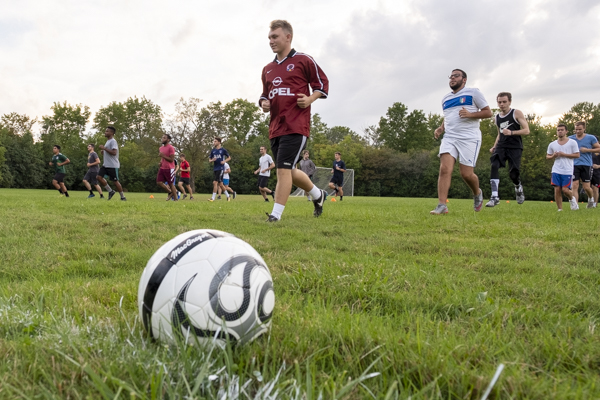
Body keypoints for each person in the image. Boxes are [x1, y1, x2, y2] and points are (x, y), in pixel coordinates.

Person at [259, 19, 329, 221]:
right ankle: (318, 194)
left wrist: (310, 99)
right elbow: (265, 95)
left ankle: (275, 215)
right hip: (276, 127)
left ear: (288, 37)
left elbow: (322, 85)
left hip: (296, 126)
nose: (271, 41)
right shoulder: (268, 69)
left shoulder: (303, 60)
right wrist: (263, 103)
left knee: (282, 170)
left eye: (275, 37)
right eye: (269, 37)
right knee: (289, 170)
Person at [431, 69, 492, 215]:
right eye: (451, 76)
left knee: (466, 174)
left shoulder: (473, 93)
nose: (452, 78)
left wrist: (471, 115)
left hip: (469, 138)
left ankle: (477, 193)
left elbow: (488, 112)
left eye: (456, 76)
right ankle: (442, 205)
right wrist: (441, 128)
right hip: (450, 137)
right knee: (445, 168)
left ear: (464, 79)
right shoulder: (445, 99)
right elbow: (448, 116)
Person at [486, 92, 530, 207]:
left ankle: (518, 186)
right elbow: (499, 134)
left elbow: (526, 130)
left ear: (509, 102)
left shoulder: (516, 113)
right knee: (494, 165)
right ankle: (494, 196)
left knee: (513, 174)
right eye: (499, 102)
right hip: (501, 146)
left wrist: (511, 132)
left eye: (504, 102)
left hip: (515, 147)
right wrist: (494, 146)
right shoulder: (497, 117)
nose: (502, 104)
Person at [547, 124, 580, 211]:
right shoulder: (552, 144)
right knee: (557, 189)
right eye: (558, 130)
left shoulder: (572, 142)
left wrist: (564, 154)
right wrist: (553, 155)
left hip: (567, 170)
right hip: (556, 169)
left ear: (566, 131)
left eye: (562, 130)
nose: (560, 131)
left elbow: (577, 155)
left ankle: (572, 200)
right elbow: (548, 156)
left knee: (565, 190)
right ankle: (560, 209)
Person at [569, 121, 599, 208]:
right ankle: (575, 205)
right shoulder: (570, 139)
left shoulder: (591, 138)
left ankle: (590, 199)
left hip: (586, 164)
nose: (578, 131)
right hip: (574, 164)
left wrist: (587, 150)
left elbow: (598, 149)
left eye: (580, 129)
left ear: (584, 128)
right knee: (574, 185)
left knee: (586, 187)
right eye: (576, 129)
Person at [97, 126, 126, 201]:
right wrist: (104, 152)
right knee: (98, 177)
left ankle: (122, 197)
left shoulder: (113, 141)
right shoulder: (108, 141)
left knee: (115, 181)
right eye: (105, 131)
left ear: (112, 133)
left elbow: (114, 152)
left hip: (112, 165)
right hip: (105, 164)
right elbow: (109, 152)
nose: (105, 132)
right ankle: (110, 191)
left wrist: (104, 148)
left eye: (107, 131)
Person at [208, 137, 230, 202]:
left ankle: (213, 198)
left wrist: (224, 161)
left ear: (219, 142)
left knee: (215, 182)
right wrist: (212, 160)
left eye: (215, 141)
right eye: (213, 141)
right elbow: (209, 160)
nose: (214, 142)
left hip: (220, 168)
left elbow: (229, 157)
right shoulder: (213, 151)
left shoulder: (223, 150)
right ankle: (228, 196)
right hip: (215, 168)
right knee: (220, 184)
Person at [157, 134, 178, 201]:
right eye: (162, 137)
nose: (162, 139)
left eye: (164, 138)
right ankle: (170, 192)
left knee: (171, 184)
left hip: (170, 168)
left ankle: (175, 199)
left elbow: (171, 160)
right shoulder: (160, 148)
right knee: (159, 182)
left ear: (168, 140)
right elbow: (162, 158)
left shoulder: (171, 148)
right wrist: (160, 163)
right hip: (162, 168)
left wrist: (163, 156)